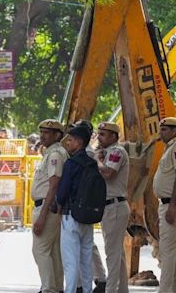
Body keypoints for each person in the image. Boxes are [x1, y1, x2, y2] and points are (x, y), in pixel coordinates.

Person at [153, 117, 176, 293]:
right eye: (161, 129)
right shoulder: (169, 149)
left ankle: (165, 290)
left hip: (172, 203)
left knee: (167, 251)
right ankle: (175, 289)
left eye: (165, 129)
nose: (161, 133)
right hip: (168, 203)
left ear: (175, 131)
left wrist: (172, 206)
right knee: (174, 252)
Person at [57, 125, 96, 293]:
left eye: (71, 140)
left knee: (71, 261)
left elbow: (63, 190)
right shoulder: (93, 164)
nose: (68, 143)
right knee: (86, 261)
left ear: (79, 142)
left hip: (70, 215)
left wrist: (58, 205)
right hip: (87, 217)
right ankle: (87, 290)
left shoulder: (71, 163)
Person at [70, 119, 107, 292]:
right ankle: (93, 280)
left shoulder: (88, 154)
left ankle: (98, 279)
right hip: (80, 203)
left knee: (85, 247)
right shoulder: (82, 153)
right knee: (83, 246)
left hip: (83, 204)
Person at [31, 119, 67, 293]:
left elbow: (54, 185)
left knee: (40, 250)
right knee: (52, 251)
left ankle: (48, 288)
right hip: (49, 207)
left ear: (57, 135)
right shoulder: (51, 153)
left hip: (47, 207)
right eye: (42, 132)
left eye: (47, 132)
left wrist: (42, 215)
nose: (42, 135)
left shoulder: (55, 155)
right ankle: (56, 287)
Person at [96, 122, 130, 293]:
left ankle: (111, 290)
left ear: (113, 136)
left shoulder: (117, 151)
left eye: (103, 134)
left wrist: (98, 161)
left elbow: (109, 173)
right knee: (118, 253)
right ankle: (122, 290)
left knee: (113, 254)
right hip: (109, 207)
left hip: (114, 206)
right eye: (98, 133)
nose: (98, 137)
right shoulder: (107, 153)